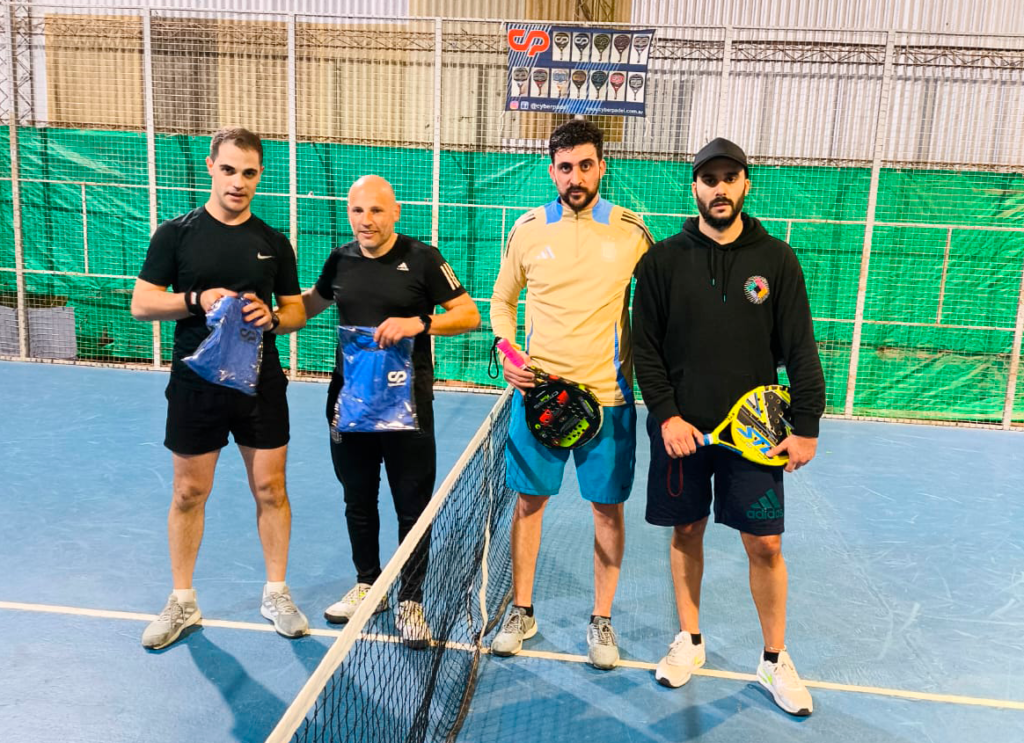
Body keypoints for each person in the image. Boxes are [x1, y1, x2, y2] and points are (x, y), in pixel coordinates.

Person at [633, 137, 825, 715]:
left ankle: (773, 659)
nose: (719, 188)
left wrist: (808, 422)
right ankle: (689, 640)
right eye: (708, 178)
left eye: (729, 177)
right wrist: (666, 415)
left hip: (758, 432)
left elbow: (800, 346)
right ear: (694, 187)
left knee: (765, 543)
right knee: (686, 531)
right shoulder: (662, 261)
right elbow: (645, 349)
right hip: (682, 432)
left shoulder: (778, 260)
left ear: (746, 184)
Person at [131, 127, 309, 650]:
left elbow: (295, 310)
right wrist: (196, 298)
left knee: (270, 489)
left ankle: (276, 591)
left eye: (249, 173)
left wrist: (272, 317)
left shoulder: (274, 243)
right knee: (189, 491)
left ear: (259, 177)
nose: (238, 182)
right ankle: (182, 600)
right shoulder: (176, 234)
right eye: (229, 169)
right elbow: (142, 304)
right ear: (211, 166)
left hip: (260, 386)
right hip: (195, 386)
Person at [489, 120, 653, 670]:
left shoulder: (631, 232)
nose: (576, 176)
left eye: (586, 165)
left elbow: (658, 308)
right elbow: (503, 303)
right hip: (538, 398)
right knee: (529, 504)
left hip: (608, 399)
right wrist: (510, 357)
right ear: (552, 169)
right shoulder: (529, 229)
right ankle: (521, 610)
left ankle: (601, 619)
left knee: (608, 511)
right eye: (565, 166)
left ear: (601, 166)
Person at [301, 175, 480, 649]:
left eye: (377, 210)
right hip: (349, 409)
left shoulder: (423, 259)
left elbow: (468, 314)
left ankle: (410, 600)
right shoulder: (340, 259)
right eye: (358, 210)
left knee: (412, 510)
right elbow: (309, 305)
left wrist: (420, 322)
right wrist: (261, 313)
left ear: (395, 212)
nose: (367, 220)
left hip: (408, 413)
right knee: (357, 502)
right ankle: (368, 585)